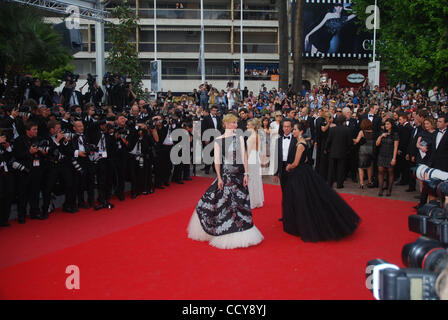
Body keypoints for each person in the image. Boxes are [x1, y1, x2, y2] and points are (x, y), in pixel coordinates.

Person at [187, 114, 264, 249]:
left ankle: (241, 230)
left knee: (241, 204)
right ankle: (226, 231)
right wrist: (219, 177)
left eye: (236, 122)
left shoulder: (239, 137)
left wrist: (246, 173)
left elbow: (244, 156)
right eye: (233, 122)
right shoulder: (218, 140)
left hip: (239, 175)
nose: (236, 125)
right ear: (227, 124)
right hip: (226, 175)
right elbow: (217, 160)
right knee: (225, 203)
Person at [282, 121, 361, 242]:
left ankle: (303, 223)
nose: (293, 132)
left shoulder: (300, 145)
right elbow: (307, 158)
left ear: (301, 131)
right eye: (293, 130)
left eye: (295, 130)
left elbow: (296, 163)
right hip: (304, 172)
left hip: (299, 174)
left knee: (301, 199)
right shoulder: (302, 142)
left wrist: (289, 166)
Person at [376, 118, 399, 197]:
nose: (386, 126)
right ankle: (380, 189)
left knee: (390, 172)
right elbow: (377, 144)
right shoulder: (382, 133)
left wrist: (394, 158)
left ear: (392, 125)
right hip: (382, 154)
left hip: (390, 155)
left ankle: (389, 190)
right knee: (380, 171)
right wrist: (381, 136)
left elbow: (396, 147)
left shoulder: (395, 134)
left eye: (388, 124)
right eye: (386, 124)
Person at [246, 118, 264, 209]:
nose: (247, 126)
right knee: (255, 178)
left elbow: (248, 152)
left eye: (248, 125)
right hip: (256, 158)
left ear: (253, 126)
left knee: (251, 179)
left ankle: (252, 201)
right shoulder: (257, 135)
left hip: (251, 158)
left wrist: (245, 160)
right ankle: (256, 200)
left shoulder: (253, 137)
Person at [353, 119, 374, 188]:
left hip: (363, 150)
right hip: (371, 150)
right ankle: (370, 181)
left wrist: (352, 139)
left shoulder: (362, 132)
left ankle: (361, 183)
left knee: (361, 167)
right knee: (369, 166)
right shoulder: (373, 132)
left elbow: (357, 141)